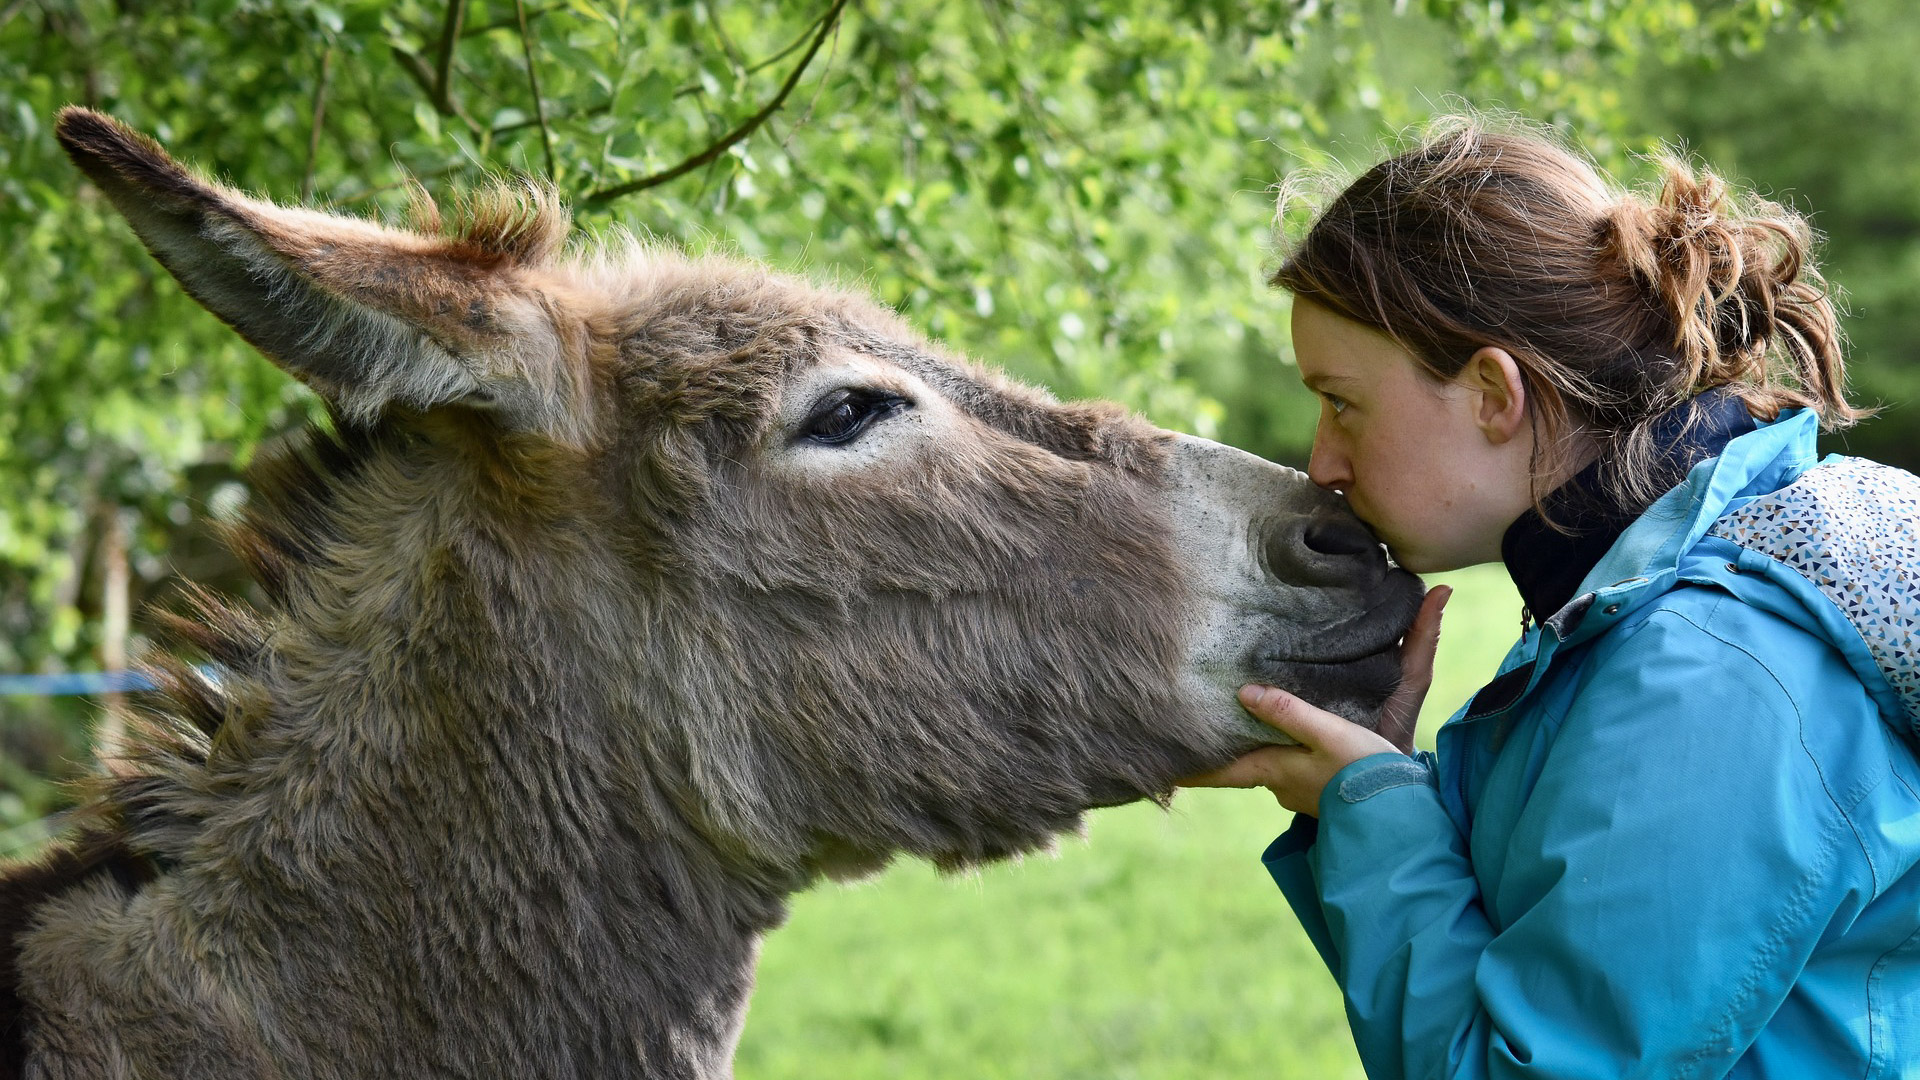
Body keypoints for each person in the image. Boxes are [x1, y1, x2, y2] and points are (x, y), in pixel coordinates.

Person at [1185, 116, 1920, 1079]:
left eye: (1343, 402)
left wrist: (1369, 814)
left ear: (1494, 392)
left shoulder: (1707, 677)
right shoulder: (1636, 611)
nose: (1322, 462)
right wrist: (1374, 792)